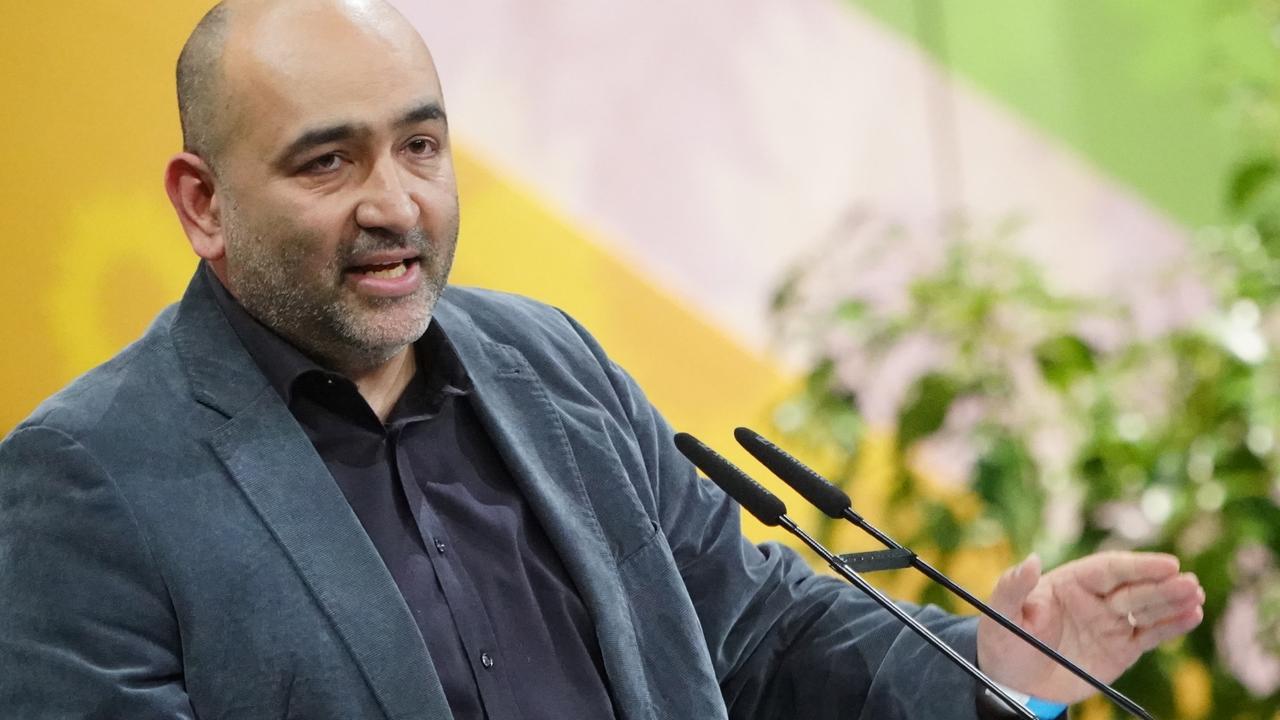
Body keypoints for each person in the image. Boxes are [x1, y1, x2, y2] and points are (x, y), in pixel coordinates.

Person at [0, 1, 1205, 718]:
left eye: (420, 146)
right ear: (203, 203)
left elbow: (753, 630)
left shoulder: (549, 363)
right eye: (328, 162)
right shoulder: (86, 477)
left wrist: (993, 663)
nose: (396, 203)